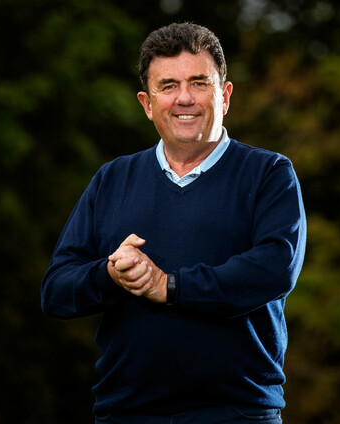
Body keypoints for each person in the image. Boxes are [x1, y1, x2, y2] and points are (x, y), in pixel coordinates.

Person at [41, 22, 306, 424]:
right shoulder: (112, 180)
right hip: (125, 414)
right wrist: (110, 276)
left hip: (237, 413)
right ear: (147, 104)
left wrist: (170, 287)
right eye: (168, 86)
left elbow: (274, 269)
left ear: (225, 95)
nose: (184, 98)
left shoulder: (268, 173)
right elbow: (56, 291)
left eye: (199, 83)